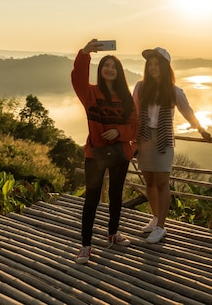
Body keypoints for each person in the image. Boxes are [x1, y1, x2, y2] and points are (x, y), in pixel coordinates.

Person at [133, 47, 212, 244]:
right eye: (150, 65)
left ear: (165, 67)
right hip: (143, 137)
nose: (153, 68)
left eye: (156, 64)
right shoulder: (141, 87)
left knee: (161, 183)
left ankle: (161, 226)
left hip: (163, 139)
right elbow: (133, 112)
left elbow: (188, 112)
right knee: (149, 181)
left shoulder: (174, 91)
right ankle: (155, 218)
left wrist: (201, 130)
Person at [71, 39, 139, 264]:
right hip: (95, 153)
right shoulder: (90, 93)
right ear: (101, 71)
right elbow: (77, 78)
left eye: (114, 67)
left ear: (119, 72)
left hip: (119, 152)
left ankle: (113, 233)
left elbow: (135, 127)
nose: (109, 69)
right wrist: (85, 53)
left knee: (116, 195)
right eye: (106, 66)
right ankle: (86, 245)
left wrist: (118, 132)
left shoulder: (126, 98)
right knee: (91, 199)